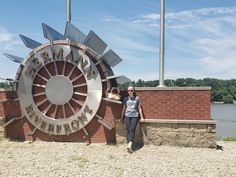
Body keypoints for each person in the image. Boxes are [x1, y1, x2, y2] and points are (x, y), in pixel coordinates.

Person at [121, 86, 144, 153]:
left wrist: (142, 117)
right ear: (127, 91)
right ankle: (129, 145)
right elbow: (124, 108)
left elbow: (139, 108)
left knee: (132, 129)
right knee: (128, 130)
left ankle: (130, 144)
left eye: (131, 90)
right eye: (129, 91)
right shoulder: (125, 98)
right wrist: (122, 117)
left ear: (134, 91)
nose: (130, 92)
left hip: (135, 116)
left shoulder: (137, 98)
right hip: (127, 116)